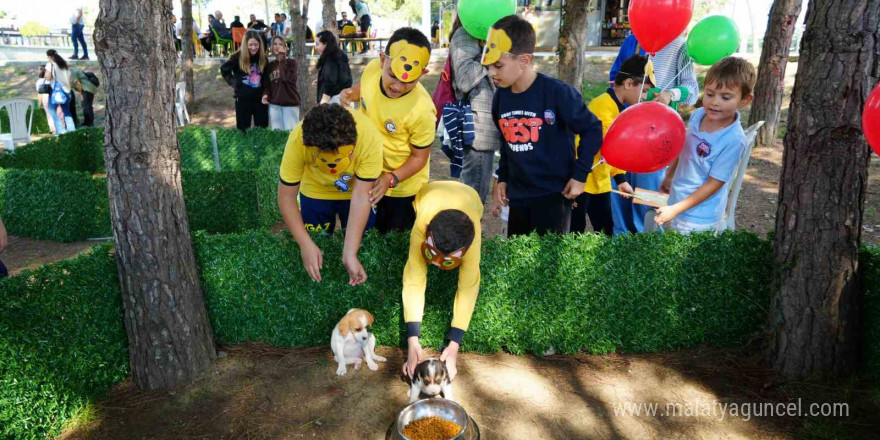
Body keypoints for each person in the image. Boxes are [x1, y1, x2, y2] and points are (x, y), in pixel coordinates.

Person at [485, 15, 603, 236]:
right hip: (518, 197)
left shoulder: (558, 93)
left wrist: (580, 175)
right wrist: (502, 177)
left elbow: (592, 129)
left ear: (524, 60)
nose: (491, 72)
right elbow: (507, 141)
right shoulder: (500, 98)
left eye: (498, 65)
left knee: (548, 263)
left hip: (554, 197)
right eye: (489, 66)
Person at [340, 28, 436, 233]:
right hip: (366, 174)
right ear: (383, 60)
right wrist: (350, 94)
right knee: (363, 235)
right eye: (393, 75)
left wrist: (390, 178)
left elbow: (420, 158)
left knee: (391, 243)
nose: (398, 86)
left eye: (409, 80)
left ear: (423, 73)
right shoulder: (373, 69)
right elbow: (364, 89)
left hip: (401, 190)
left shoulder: (423, 110)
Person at [277, 104, 384, 285]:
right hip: (315, 190)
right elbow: (286, 196)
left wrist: (350, 252)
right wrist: (305, 244)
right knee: (314, 244)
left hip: (354, 191)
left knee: (362, 247)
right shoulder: (297, 140)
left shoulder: (369, 137)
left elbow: (361, 194)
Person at [607, 33, 699, 233]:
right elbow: (615, 77)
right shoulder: (633, 40)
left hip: (658, 133)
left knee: (649, 190)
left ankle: (648, 236)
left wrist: (669, 94)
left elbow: (692, 91)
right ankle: (620, 235)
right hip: (627, 129)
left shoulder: (679, 45)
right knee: (620, 184)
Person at [654, 57, 756, 234]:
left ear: (744, 100)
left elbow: (713, 184)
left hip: (700, 217)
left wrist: (676, 209)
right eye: (709, 94)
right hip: (678, 203)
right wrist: (669, 176)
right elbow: (685, 149)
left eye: (725, 97)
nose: (714, 102)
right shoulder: (698, 115)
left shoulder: (733, 140)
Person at [400, 181, 483, 381]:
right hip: (429, 193)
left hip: (472, 197)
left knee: (470, 277)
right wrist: (413, 341)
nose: (436, 265)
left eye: (444, 261)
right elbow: (414, 281)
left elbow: (468, 288)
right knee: (415, 265)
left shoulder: (473, 239)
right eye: (434, 257)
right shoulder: (422, 224)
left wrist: (454, 345)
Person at [572, 55, 652, 235]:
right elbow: (609, 149)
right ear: (629, 84)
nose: (645, 97)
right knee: (575, 231)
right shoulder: (603, 107)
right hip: (581, 181)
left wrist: (620, 179)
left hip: (599, 181)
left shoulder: (615, 107)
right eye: (644, 90)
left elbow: (610, 151)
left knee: (606, 229)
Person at [449, 17, 501, 203]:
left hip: (495, 123)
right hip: (477, 129)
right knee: (472, 197)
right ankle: (468, 231)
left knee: (478, 193)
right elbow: (464, 79)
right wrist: (490, 53)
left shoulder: (493, 33)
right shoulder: (465, 34)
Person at [220, 31, 269, 132]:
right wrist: (235, 83)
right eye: (250, 45)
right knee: (243, 130)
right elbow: (224, 70)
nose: (253, 47)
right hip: (243, 100)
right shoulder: (237, 57)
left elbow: (265, 78)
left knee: (262, 130)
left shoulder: (263, 58)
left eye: (256, 44)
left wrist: (266, 93)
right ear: (245, 44)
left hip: (259, 101)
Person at [262, 36, 301, 130]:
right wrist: (265, 94)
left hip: (290, 103)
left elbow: (286, 78)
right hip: (274, 104)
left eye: (280, 44)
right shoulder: (270, 65)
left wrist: (282, 58)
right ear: (271, 47)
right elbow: (267, 85)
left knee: (290, 134)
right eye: (275, 44)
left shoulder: (291, 62)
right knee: (277, 135)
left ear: (285, 47)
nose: (277, 46)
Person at [313, 30, 352, 104]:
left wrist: (323, 102)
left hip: (335, 100)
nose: (315, 47)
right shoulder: (339, 54)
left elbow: (330, 82)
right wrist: (321, 80)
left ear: (325, 44)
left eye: (317, 44)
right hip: (344, 97)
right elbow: (339, 77)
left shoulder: (330, 58)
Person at [44, 49, 76, 135]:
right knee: (67, 112)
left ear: (49, 57)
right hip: (67, 91)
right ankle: (72, 131)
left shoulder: (50, 64)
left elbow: (48, 77)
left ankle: (60, 130)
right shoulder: (65, 65)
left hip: (56, 92)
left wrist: (45, 76)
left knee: (51, 110)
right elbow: (70, 80)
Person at [35, 66, 57, 134]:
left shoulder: (39, 81)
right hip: (53, 95)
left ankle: (53, 130)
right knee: (55, 112)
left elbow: (39, 93)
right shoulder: (51, 79)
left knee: (49, 114)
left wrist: (40, 103)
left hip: (45, 96)